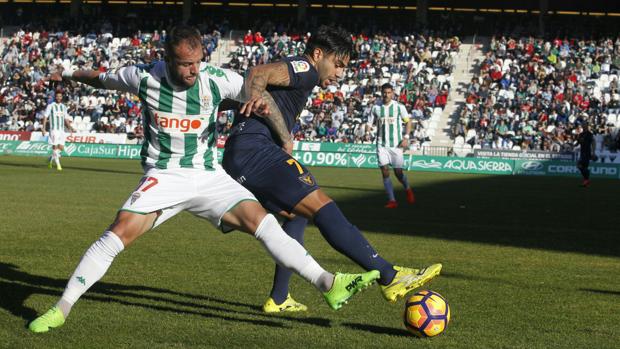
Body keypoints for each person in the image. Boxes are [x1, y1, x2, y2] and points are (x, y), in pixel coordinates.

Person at [28, 25, 379, 334]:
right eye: (184, 64)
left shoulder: (217, 78)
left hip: (209, 176)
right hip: (165, 175)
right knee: (118, 233)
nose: (193, 71)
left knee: (266, 225)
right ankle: (61, 309)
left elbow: (258, 91)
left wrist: (262, 110)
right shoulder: (143, 77)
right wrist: (71, 74)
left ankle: (329, 283)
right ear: (167, 59)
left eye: (197, 62)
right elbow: (100, 79)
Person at [223, 25, 441, 313]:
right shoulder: (305, 68)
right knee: (321, 205)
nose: (340, 73)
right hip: (255, 151)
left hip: (243, 153)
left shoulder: (301, 76)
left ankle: (278, 298)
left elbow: (245, 92)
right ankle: (389, 276)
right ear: (317, 54)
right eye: (338, 64)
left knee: (297, 216)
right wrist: (285, 137)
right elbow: (257, 74)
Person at [372, 83, 415, 208]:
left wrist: (406, 138)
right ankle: (392, 200)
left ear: (392, 93)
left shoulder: (399, 107)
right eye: (384, 92)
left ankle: (408, 189)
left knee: (398, 173)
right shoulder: (376, 108)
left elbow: (408, 122)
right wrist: (368, 128)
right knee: (385, 171)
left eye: (389, 92)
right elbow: (370, 121)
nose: (386, 95)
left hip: (396, 144)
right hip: (381, 144)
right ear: (381, 93)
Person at [42, 91, 76, 171]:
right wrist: (43, 129)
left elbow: (66, 119)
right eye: (57, 96)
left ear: (61, 97)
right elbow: (45, 117)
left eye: (60, 96)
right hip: (54, 129)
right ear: (55, 97)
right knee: (55, 146)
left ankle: (51, 158)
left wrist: (70, 128)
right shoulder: (51, 106)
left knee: (61, 147)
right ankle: (58, 165)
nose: (59, 98)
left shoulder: (63, 107)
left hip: (61, 130)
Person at [576, 122, 596, 187]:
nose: (584, 126)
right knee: (583, 167)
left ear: (587, 126)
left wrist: (593, 152)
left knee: (579, 165)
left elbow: (593, 142)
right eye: (583, 125)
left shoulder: (589, 134)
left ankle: (586, 179)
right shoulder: (581, 134)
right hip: (582, 152)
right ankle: (586, 181)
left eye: (585, 125)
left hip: (587, 153)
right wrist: (572, 145)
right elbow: (578, 143)